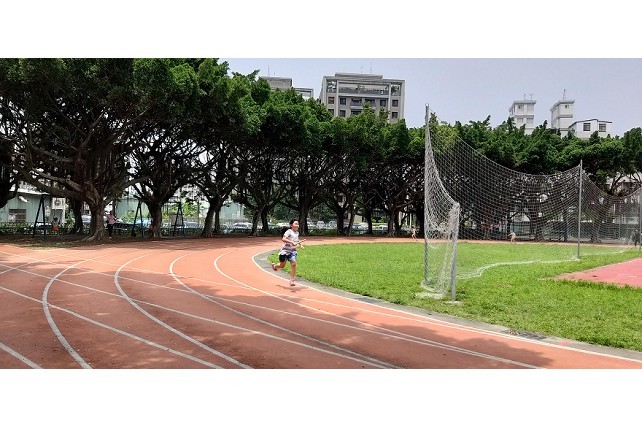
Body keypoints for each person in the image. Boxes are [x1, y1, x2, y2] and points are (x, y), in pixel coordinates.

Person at [272, 218, 306, 286]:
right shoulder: (288, 231)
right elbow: (283, 239)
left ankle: (292, 280)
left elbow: (297, 239)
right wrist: (291, 242)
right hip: (285, 251)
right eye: (296, 224)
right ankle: (275, 266)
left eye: (298, 224)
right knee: (282, 265)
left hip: (292, 251)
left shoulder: (297, 233)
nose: (297, 225)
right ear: (291, 225)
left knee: (293, 263)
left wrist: (300, 245)